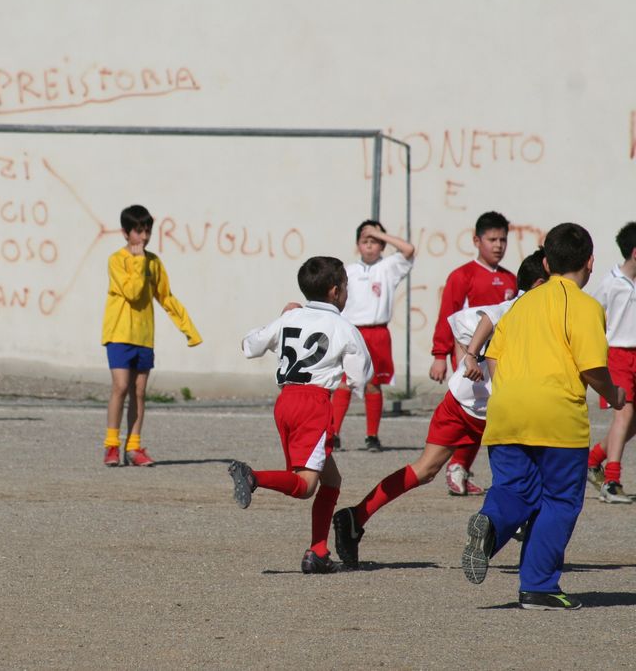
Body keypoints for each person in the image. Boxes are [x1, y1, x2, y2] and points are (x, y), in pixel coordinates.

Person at [332, 250, 547, 569]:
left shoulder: (522, 310)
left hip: (467, 402)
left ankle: (356, 516)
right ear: (540, 284)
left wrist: (468, 357)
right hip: (492, 410)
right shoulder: (515, 308)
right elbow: (480, 320)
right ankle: (519, 534)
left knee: (426, 469)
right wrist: (469, 356)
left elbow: (464, 324)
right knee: (532, 473)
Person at [460, 223, 625, 610]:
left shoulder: (520, 304)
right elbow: (591, 368)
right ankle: (538, 586)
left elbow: (493, 356)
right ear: (590, 262)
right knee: (560, 500)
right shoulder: (585, 306)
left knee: (515, 489)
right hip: (556, 415)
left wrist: (514, 392)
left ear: (546, 263)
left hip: (506, 411)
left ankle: (492, 523)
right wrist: (615, 394)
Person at [229, 256, 373, 574]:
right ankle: (253, 477)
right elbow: (361, 377)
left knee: (331, 480)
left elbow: (249, 346)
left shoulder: (290, 317)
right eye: (346, 286)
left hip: (285, 403)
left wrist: (282, 319)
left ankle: (317, 552)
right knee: (306, 485)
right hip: (315, 404)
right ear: (335, 291)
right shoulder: (344, 327)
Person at [101, 205, 201, 466]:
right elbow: (132, 292)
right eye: (138, 231)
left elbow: (166, 296)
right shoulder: (117, 260)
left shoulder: (153, 262)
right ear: (126, 233)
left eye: (147, 231)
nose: (143, 237)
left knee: (139, 392)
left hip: (144, 336)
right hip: (119, 333)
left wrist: (188, 329)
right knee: (120, 387)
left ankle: (133, 447)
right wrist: (137, 261)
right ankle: (111, 445)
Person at [430, 211, 518, 495]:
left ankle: (461, 467)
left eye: (503, 240)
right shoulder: (462, 276)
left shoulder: (510, 279)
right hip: (469, 355)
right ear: (477, 241)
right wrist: (439, 355)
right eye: (492, 239)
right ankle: (455, 464)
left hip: (498, 358)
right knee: (474, 410)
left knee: (489, 413)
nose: (498, 245)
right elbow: (447, 316)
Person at [331, 220, 415, 452]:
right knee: (344, 383)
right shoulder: (348, 271)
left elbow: (408, 249)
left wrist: (381, 234)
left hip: (377, 332)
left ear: (382, 245)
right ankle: (334, 433)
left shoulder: (388, 267)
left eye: (375, 241)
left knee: (373, 384)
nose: (369, 246)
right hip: (352, 331)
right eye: (365, 241)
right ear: (358, 244)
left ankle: (372, 436)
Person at [586, 222, 636, 504]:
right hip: (617, 354)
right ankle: (612, 482)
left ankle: (593, 460)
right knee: (624, 415)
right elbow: (591, 315)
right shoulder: (611, 282)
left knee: (633, 422)